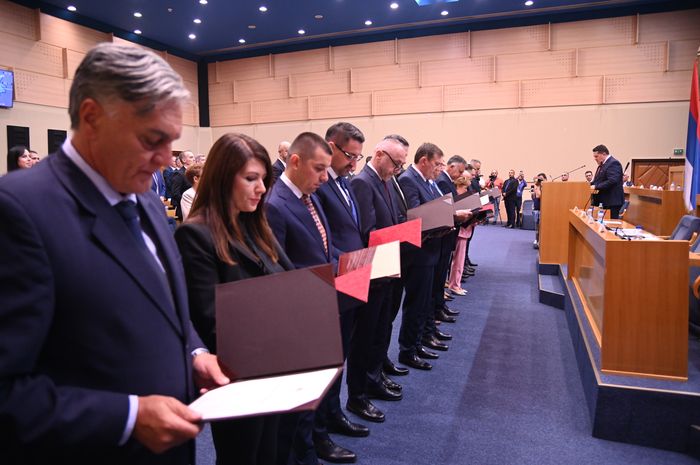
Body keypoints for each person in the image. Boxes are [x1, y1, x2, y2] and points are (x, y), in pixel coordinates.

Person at [0, 42, 228, 465]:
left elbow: (163, 306)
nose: (166, 161)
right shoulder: (18, 211)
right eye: (152, 140)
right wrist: (127, 417)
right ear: (92, 117)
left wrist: (194, 353)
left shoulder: (144, 200)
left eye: (172, 142)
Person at [175, 133, 292, 465]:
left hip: (277, 368)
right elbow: (210, 320)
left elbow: (290, 281)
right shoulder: (196, 234)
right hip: (238, 375)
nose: (262, 188)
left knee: (272, 455)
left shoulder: (256, 226)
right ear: (224, 177)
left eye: (264, 180)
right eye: (251, 179)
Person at [265, 132, 349, 465]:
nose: (325, 178)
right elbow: (278, 272)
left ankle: (312, 445)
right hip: (298, 316)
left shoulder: (307, 197)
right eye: (319, 169)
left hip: (319, 304)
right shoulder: (275, 205)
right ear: (295, 161)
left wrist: (349, 263)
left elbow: (322, 248)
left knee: (314, 392)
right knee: (298, 403)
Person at [314, 122, 369, 459]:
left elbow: (352, 231)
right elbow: (323, 240)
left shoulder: (344, 182)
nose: (353, 163)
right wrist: (348, 262)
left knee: (340, 357)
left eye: (358, 157)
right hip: (333, 280)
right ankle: (320, 431)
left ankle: (334, 414)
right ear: (331, 146)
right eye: (350, 155)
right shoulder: (319, 186)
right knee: (326, 361)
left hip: (352, 277)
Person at [348, 136, 409, 426]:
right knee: (365, 336)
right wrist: (404, 233)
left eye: (401, 165)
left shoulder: (385, 180)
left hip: (387, 268)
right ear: (380, 154)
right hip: (371, 272)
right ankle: (358, 394)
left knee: (382, 328)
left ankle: (374, 378)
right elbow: (367, 232)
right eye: (396, 163)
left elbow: (391, 221)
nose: (398, 169)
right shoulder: (363, 182)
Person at [397, 143, 446, 371]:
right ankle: (408, 349)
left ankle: (417, 344)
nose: (438, 169)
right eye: (436, 164)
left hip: (429, 249)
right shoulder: (409, 179)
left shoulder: (426, 181)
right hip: (418, 253)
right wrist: (447, 216)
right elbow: (416, 217)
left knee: (423, 302)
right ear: (423, 160)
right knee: (415, 304)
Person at [590, 144, 624, 219]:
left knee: (610, 224)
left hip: (612, 202)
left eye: (596, 156)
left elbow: (612, 180)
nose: (595, 159)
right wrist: (586, 185)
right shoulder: (603, 164)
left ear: (604, 154)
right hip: (604, 201)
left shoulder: (613, 163)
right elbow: (597, 180)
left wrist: (595, 186)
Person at [171, 150, 195, 218]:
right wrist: (187, 201)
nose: (194, 159)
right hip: (184, 208)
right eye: (191, 157)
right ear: (184, 160)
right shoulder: (179, 174)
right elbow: (175, 193)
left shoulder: (194, 172)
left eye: (193, 157)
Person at [531, 173, 547, 248]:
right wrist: (533, 191)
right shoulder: (536, 186)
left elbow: (539, 195)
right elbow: (535, 196)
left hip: (543, 208)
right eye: (539, 178)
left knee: (542, 227)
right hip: (536, 208)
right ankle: (536, 240)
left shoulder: (546, 186)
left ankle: (541, 241)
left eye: (541, 178)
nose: (540, 180)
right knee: (537, 226)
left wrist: (537, 187)